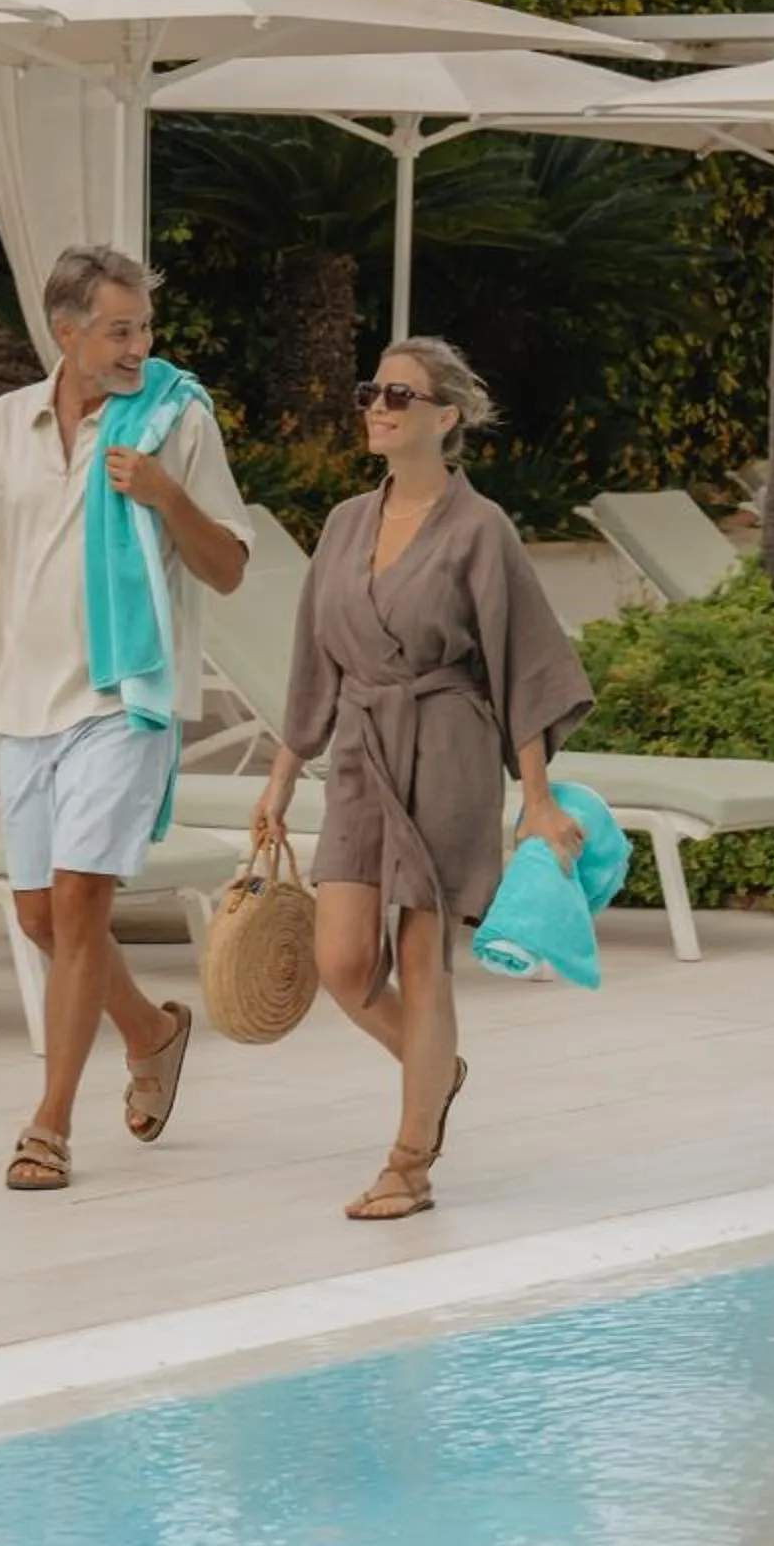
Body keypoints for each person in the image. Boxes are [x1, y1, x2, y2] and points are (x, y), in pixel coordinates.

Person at [0, 245, 252, 1193]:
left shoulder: (177, 423)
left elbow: (228, 566)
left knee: (83, 903)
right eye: (120, 330)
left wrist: (166, 495)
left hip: (127, 698)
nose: (140, 348)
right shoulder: (1, 429)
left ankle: (48, 1125)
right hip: (25, 704)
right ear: (67, 331)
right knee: (41, 916)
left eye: (145, 329)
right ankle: (154, 1032)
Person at [253, 337, 593, 1222]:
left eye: (400, 395)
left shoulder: (482, 530)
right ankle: (434, 1068)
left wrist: (538, 800)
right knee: (341, 961)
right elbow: (312, 662)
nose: (378, 406)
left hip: (446, 744)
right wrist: (283, 777)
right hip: (362, 750)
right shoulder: (340, 524)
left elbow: (522, 663)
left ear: (446, 418)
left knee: (419, 958)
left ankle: (409, 1162)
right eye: (372, 390)